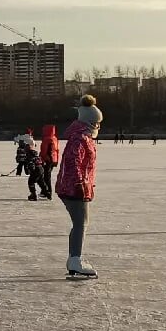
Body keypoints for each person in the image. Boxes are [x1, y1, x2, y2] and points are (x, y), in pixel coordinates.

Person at [56, 96, 102, 278]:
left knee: (80, 223)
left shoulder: (84, 137)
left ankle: (74, 258)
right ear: (90, 122)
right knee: (80, 223)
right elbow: (73, 163)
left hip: (76, 186)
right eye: (97, 123)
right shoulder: (80, 138)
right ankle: (75, 259)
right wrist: (80, 183)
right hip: (73, 188)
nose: (98, 127)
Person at [37, 124, 59, 200]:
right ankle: (45, 192)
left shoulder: (47, 139)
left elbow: (45, 151)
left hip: (47, 160)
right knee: (46, 176)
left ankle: (47, 192)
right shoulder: (54, 138)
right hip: (52, 160)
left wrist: (42, 158)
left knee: (46, 177)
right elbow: (56, 151)